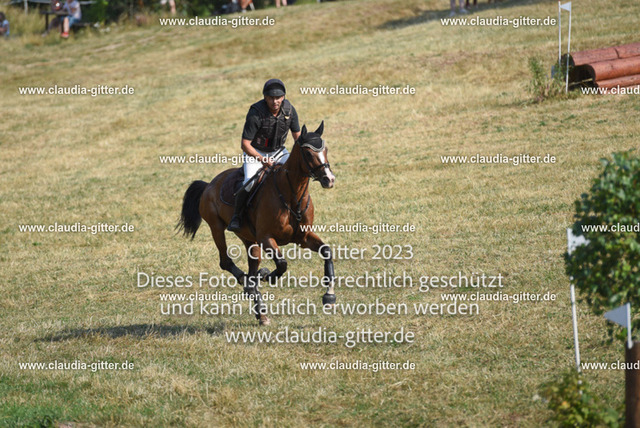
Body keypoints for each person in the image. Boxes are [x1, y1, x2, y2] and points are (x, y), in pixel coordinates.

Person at [227, 79, 301, 232]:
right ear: (265, 98)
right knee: (249, 182)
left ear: (283, 97)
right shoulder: (256, 113)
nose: (275, 101)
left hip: (279, 151)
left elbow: (298, 139)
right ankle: (237, 216)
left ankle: (298, 210)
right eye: (271, 98)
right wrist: (262, 159)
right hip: (255, 152)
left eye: (278, 98)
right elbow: (245, 144)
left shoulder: (290, 110)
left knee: (295, 174)